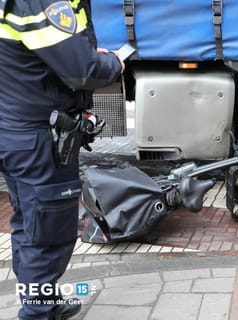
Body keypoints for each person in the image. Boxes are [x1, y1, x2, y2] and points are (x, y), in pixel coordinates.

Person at [0, 0, 123, 319]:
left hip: (15, 132)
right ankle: (37, 313)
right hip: (39, 139)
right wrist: (114, 63)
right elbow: (82, 71)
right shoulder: (43, 3)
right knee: (50, 234)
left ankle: (43, 303)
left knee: (29, 225)